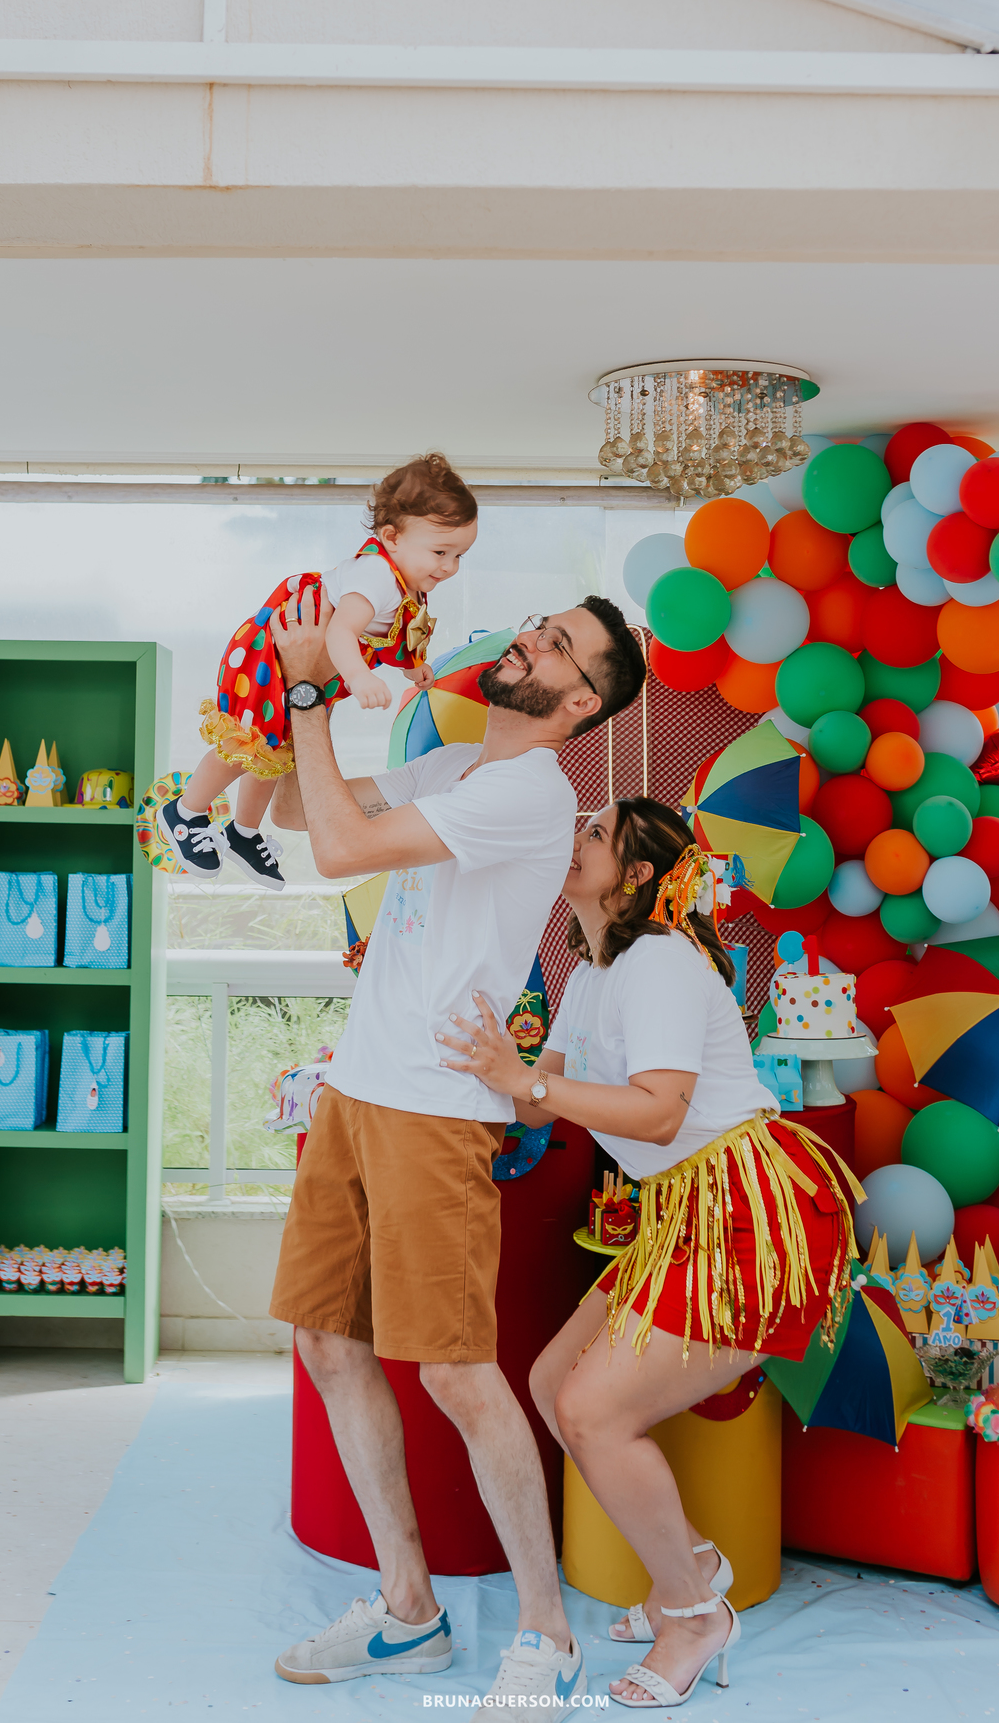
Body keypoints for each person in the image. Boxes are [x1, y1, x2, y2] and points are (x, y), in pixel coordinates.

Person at [266, 588, 647, 1708]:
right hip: (358, 1085)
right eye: (540, 623)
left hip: (434, 1108)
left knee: (455, 1372)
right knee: (326, 1341)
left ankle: (546, 1633)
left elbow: (339, 848)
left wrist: (305, 691)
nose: (529, 638)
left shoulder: (532, 789)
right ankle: (409, 1611)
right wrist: (262, 717)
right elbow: (298, 809)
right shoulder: (464, 766)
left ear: (579, 700)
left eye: (558, 646)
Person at [439, 798, 858, 1711]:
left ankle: (694, 1612)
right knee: (553, 1388)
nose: (574, 835)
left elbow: (660, 1110)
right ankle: (695, 1562)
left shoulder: (661, 959)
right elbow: (540, 1105)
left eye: (595, 831)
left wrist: (528, 1079)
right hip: (681, 1208)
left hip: (746, 1205)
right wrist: (474, 1066)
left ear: (635, 874)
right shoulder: (589, 970)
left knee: (592, 1409)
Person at [161, 453, 477, 890]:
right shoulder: (376, 578)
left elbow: (387, 635)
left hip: (312, 672)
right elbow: (342, 633)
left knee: (281, 750)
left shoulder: (406, 581)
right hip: (272, 658)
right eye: (441, 552)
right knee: (251, 743)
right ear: (392, 537)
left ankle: (243, 832)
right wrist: (361, 677)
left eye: (460, 555)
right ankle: (186, 810)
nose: (450, 567)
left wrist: (412, 667)